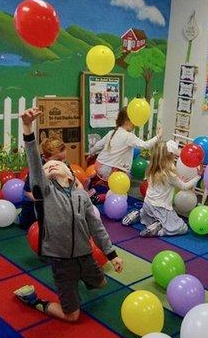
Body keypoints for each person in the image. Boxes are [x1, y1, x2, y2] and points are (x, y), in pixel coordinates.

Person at [14, 108, 123, 322]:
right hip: (61, 259)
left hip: (84, 253)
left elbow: (96, 226)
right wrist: (27, 128)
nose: (52, 166)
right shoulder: (45, 192)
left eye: (58, 164)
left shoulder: (79, 193)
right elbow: (35, 164)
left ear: (69, 171)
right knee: (72, 316)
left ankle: (77, 281)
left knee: (100, 284)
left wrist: (112, 254)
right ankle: (35, 301)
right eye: (47, 166)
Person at [122, 140, 201, 237]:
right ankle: (159, 230)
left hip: (147, 205)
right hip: (161, 208)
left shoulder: (151, 167)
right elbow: (184, 187)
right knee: (182, 227)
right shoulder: (170, 174)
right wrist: (198, 176)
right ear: (170, 156)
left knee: (149, 217)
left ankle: (139, 214)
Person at [88, 107, 161, 182]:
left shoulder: (111, 132)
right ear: (126, 121)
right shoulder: (128, 136)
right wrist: (158, 136)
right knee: (119, 188)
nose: (135, 124)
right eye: (133, 121)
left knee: (109, 187)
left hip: (99, 166)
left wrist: (91, 153)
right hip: (112, 170)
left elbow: (97, 146)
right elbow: (146, 145)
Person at [18, 137, 67, 230]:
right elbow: (27, 192)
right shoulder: (36, 168)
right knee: (29, 226)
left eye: (64, 159)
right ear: (45, 158)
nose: (62, 163)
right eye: (58, 160)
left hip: (51, 195)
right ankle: (21, 216)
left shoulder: (63, 165)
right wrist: (46, 203)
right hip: (32, 200)